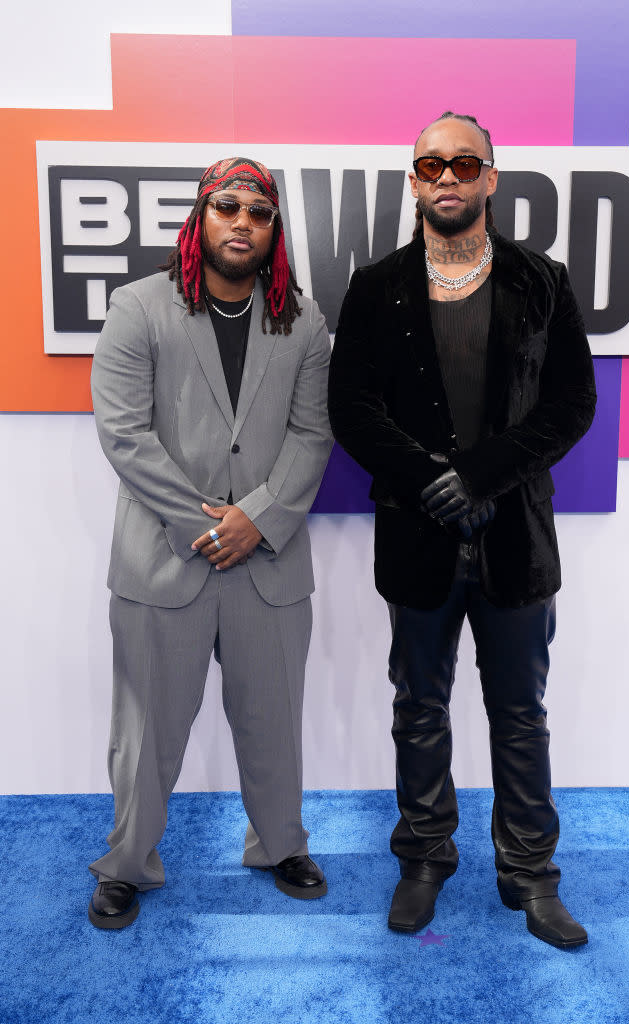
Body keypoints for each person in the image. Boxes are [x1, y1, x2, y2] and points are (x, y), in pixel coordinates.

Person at [328, 113, 597, 950]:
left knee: (520, 714)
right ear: (413, 182)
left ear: (490, 177)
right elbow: (352, 409)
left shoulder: (541, 280)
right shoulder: (375, 286)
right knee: (420, 707)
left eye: (464, 162)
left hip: (517, 539)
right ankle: (424, 861)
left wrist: (479, 476)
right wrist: (432, 485)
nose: (448, 176)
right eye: (431, 164)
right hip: (417, 540)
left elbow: (571, 406)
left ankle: (530, 875)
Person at [88, 157, 333, 929]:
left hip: (268, 562)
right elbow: (125, 434)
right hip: (163, 562)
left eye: (259, 213)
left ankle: (280, 842)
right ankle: (128, 862)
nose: (243, 222)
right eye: (227, 206)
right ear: (200, 218)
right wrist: (204, 525)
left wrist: (257, 516)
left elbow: (312, 432)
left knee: (273, 720)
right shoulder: (138, 308)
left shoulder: (304, 318)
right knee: (145, 731)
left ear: (273, 231)